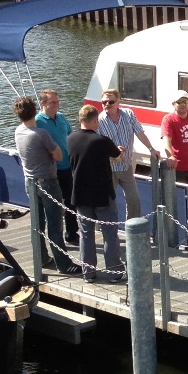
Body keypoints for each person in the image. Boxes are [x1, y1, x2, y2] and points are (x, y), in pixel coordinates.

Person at [13, 95, 80, 274]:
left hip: (30, 181)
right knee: (55, 225)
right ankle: (64, 264)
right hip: (48, 182)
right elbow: (58, 155)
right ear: (35, 111)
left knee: (38, 223)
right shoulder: (41, 133)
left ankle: (42, 258)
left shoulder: (18, 131)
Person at [68, 105, 125, 283]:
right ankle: (114, 273)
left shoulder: (71, 138)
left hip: (81, 195)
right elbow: (118, 157)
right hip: (102, 195)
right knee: (109, 234)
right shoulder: (102, 140)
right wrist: (119, 152)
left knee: (86, 235)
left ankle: (89, 273)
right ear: (95, 120)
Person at [97, 88, 157, 216]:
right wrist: (112, 151)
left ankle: (133, 230)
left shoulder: (128, 114)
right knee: (107, 202)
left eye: (111, 102)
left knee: (134, 200)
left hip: (126, 166)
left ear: (118, 102)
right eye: (104, 102)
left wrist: (151, 149)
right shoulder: (99, 120)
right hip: (109, 168)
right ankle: (108, 230)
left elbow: (139, 132)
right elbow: (97, 146)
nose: (107, 105)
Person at [36, 89, 78, 246]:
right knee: (54, 205)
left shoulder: (61, 117)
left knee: (71, 200)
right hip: (51, 170)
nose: (56, 105)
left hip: (67, 166)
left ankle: (71, 233)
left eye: (58, 102)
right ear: (43, 103)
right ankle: (55, 238)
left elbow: (69, 133)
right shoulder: (38, 121)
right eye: (53, 102)